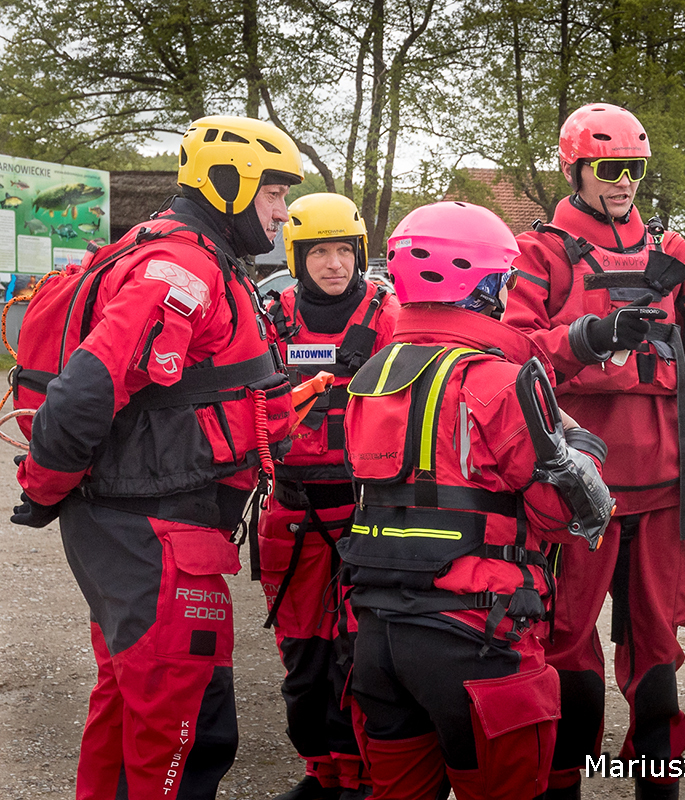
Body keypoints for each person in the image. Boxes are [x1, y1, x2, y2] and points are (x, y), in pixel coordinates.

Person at [11, 116, 302, 799]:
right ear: (228, 187)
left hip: (144, 529)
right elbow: (86, 392)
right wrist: (45, 488)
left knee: (128, 710)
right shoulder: (183, 270)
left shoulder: (193, 255)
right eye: (274, 194)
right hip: (155, 535)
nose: (284, 212)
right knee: (182, 729)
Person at [505, 102, 685, 800]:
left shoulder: (672, 258)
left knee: (657, 660)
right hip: (577, 496)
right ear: (574, 168)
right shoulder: (542, 253)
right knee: (565, 650)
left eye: (634, 170)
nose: (623, 183)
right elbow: (512, 355)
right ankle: (559, 783)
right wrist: (588, 336)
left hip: (665, 491)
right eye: (609, 169)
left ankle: (657, 787)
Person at [339, 200, 614, 800]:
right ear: (482, 283)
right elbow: (570, 513)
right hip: (477, 640)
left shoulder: (374, 375)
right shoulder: (497, 380)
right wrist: (584, 448)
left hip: (378, 635)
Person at [259, 193, 402, 800]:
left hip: (363, 506)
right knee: (303, 657)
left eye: (344, 250)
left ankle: (358, 776)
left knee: (358, 654)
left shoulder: (388, 315)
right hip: (291, 509)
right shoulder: (270, 316)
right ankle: (319, 772)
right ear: (297, 256)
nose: (335, 264)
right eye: (320, 251)